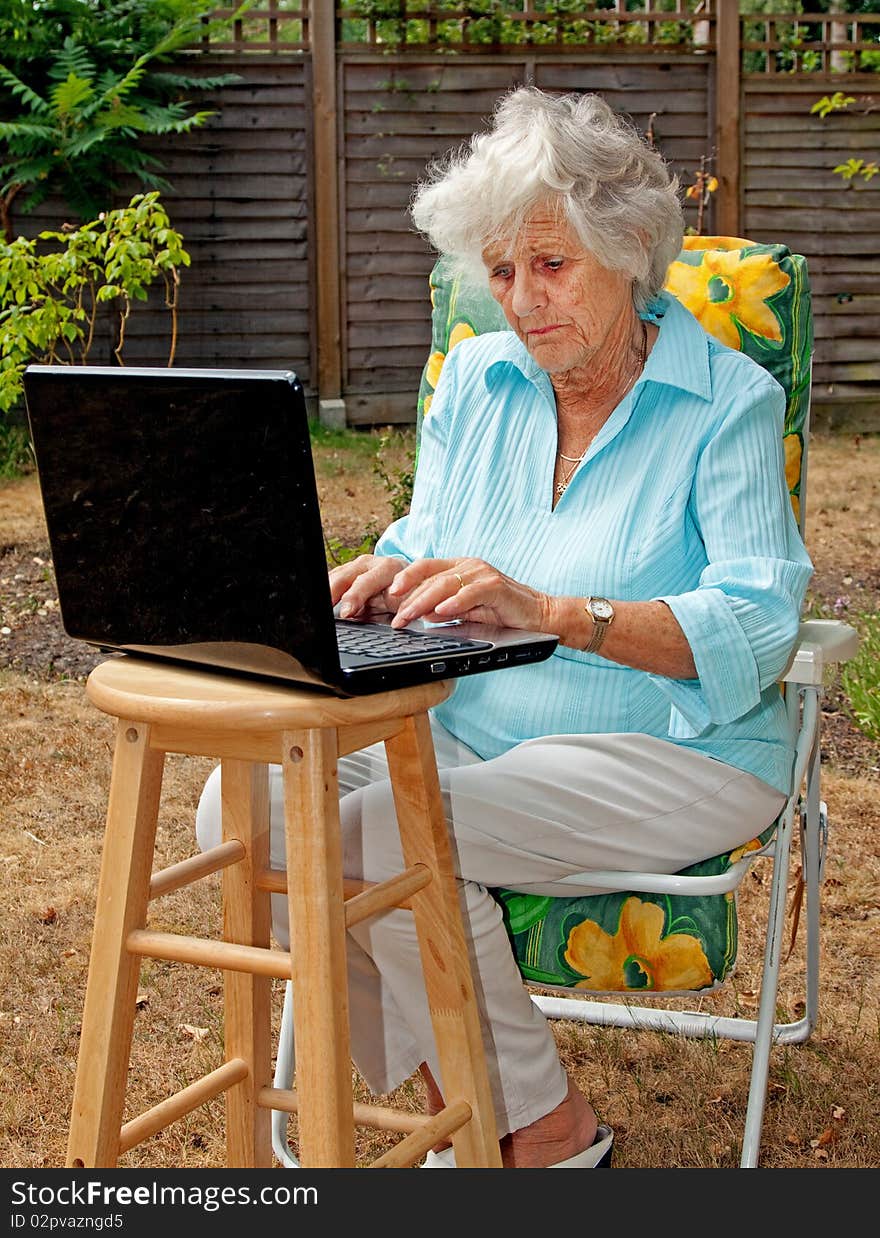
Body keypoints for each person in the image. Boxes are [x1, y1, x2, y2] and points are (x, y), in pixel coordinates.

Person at [196, 87, 813, 1168]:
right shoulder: (479, 381)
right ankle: (460, 1086)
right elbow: (433, 536)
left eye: (551, 265)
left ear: (626, 251)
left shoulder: (726, 402)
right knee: (238, 806)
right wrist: (391, 576)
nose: (521, 302)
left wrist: (557, 613)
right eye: (499, 271)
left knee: (388, 830)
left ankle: (534, 1128)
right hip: (475, 726)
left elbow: (758, 621)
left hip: (676, 744)